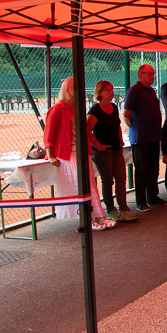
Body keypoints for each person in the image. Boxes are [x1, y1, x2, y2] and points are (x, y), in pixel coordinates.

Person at [44, 77, 114, 230]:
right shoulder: (57, 109)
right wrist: (51, 155)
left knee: (90, 184)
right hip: (68, 153)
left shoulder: (79, 108)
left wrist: (97, 145)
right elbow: (49, 134)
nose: (77, 90)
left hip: (82, 151)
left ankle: (97, 215)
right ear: (66, 90)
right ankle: (88, 218)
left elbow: (86, 131)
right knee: (81, 185)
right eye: (74, 87)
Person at [87, 80, 137, 223]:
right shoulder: (95, 110)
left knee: (121, 178)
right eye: (108, 90)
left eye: (112, 89)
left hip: (116, 149)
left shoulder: (114, 107)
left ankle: (124, 209)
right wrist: (99, 146)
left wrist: (120, 141)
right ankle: (110, 210)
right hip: (103, 151)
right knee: (108, 180)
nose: (111, 92)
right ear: (100, 93)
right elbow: (87, 131)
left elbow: (117, 126)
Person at [123, 64, 167, 212]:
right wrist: (134, 128)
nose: (151, 76)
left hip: (154, 136)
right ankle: (141, 202)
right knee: (141, 170)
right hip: (141, 137)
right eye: (148, 74)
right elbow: (126, 114)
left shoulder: (151, 90)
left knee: (153, 169)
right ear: (140, 74)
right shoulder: (134, 90)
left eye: (153, 73)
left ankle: (153, 197)